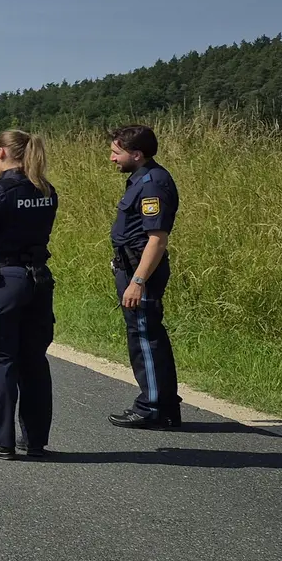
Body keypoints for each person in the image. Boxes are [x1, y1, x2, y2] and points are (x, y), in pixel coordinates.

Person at [0, 130, 59, 460]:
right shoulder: (46, 189)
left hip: (3, 282)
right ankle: (35, 441)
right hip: (38, 280)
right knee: (34, 362)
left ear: (2, 152)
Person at [107, 125, 183, 429]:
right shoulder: (141, 179)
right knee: (146, 335)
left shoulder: (152, 184)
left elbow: (157, 239)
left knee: (145, 339)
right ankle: (165, 407)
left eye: (117, 153)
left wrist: (137, 282)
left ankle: (153, 407)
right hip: (132, 266)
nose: (112, 158)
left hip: (141, 272)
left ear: (137, 154)